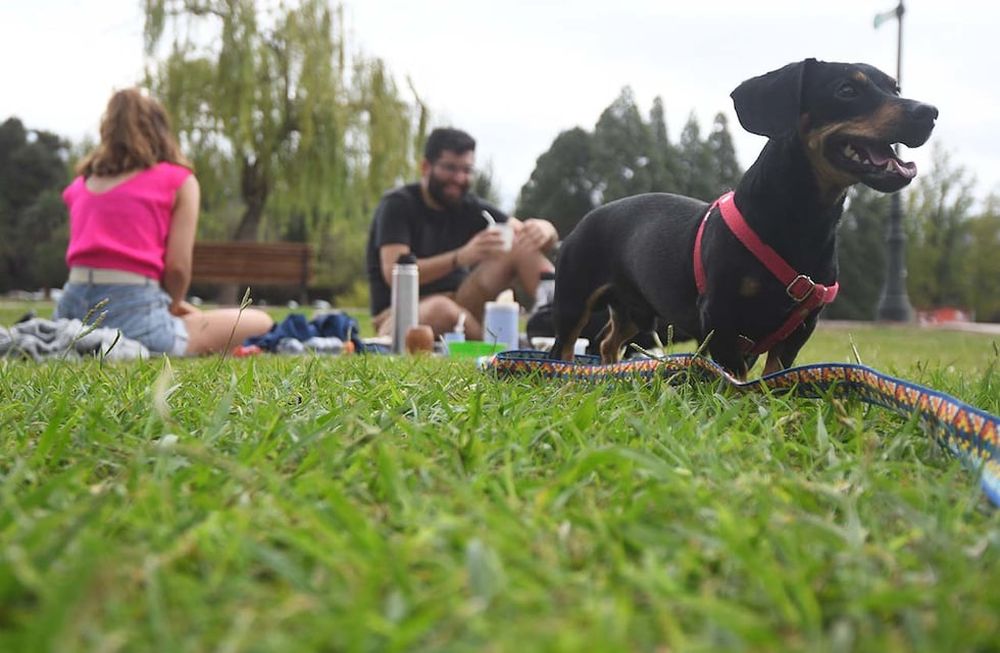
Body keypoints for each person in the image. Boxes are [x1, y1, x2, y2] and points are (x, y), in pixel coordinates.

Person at [54, 88, 273, 355]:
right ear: (160, 129)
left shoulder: (80, 185)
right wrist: (174, 304)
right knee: (261, 321)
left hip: (70, 312)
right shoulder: (178, 181)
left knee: (194, 318)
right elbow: (178, 268)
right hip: (136, 316)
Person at [366, 127, 558, 339]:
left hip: (462, 302)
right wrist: (460, 257)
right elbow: (395, 273)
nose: (459, 178)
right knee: (442, 309)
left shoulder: (469, 206)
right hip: (402, 311)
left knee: (520, 246)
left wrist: (546, 230)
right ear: (425, 167)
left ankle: (561, 322)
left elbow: (527, 234)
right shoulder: (398, 205)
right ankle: (503, 345)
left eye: (466, 170)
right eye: (450, 168)